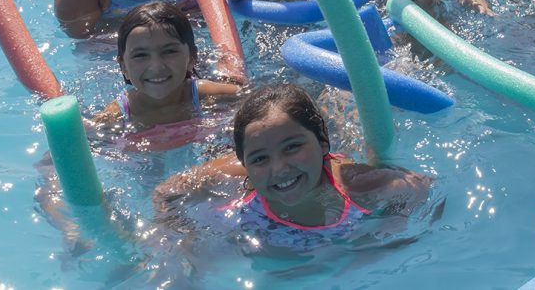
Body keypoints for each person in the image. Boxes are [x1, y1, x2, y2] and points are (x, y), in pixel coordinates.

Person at [153, 84, 431, 249]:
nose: (279, 168)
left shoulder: (359, 185)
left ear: (323, 143)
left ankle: (337, 98)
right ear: (245, 162)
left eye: (292, 147)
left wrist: (383, 233)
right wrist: (181, 241)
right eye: (260, 158)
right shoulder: (234, 176)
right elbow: (166, 192)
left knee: (352, 127)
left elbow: (420, 187)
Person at [91, 2, 240, 130]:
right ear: (123, 67)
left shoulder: (206, 95)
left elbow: (255, 100)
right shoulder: (117, 116)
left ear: (192, 57)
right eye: (140, 55)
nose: (156, 66)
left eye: (169, 51)